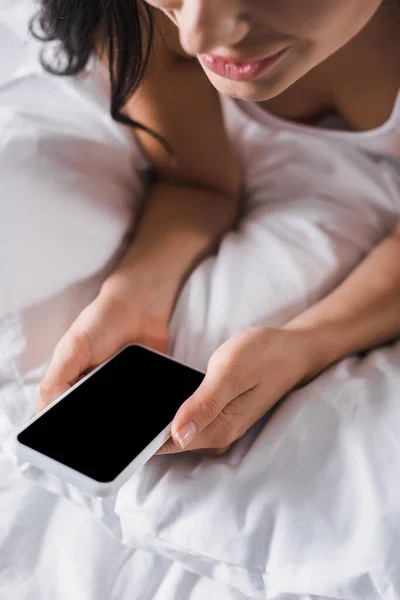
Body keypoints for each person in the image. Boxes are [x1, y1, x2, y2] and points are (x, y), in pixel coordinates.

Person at [37, 0, 400, 454]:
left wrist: (306, 345)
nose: (194, 36)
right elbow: (198, 182)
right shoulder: (139, 14)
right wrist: (133, 295)